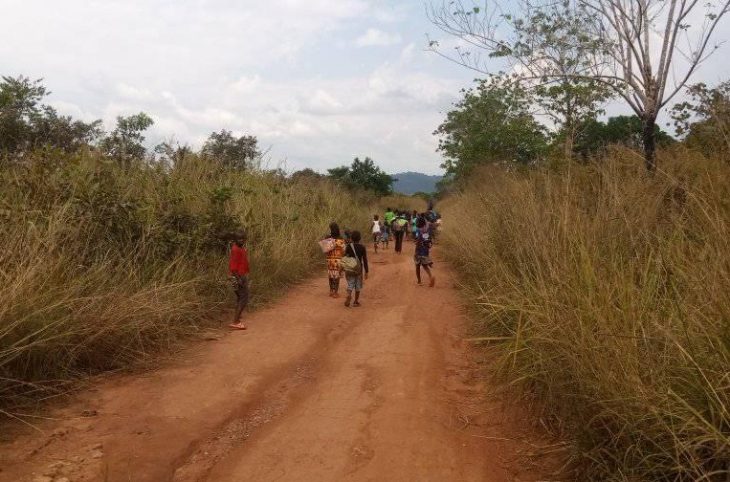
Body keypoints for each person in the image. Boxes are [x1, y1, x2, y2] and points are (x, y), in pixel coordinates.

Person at [229, 230, 250, 330]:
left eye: (243, 239)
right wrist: (239, 279)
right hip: (238, 276)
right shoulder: (236, 249)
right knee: (244, 298)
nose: (241, 240)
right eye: (239, 239)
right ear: (235, 240)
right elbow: (233, 267)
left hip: (240, 276)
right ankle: (236, 321)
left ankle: (237, 317)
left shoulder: (240, 248)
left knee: (240, 297)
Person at [342, 230, 369, 307]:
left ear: (351, 238)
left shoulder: (348, 246)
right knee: (358, 286)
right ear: (359, 238)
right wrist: (366, 271)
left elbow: (345, 257)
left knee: (350, 283)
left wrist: (342, 268)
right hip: (358, 269)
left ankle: (349, 294)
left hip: (350, 268)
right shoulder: (362, 247)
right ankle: (356, 302)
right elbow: (365, 260)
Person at [325, 222, 346, 298]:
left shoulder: (328, 238)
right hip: (338, 259)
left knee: (330, 275)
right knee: (337, 276)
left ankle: (331, 290)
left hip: (330, 259)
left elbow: (325, 250)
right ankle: (335, 292)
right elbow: (344, 251)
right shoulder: (340, 238)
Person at [414, 218, 435, 287]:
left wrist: (416, 251)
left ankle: (419, 281)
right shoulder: (427, 231)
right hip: (425, 251)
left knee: (417, 266)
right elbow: (430, 242)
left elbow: (417, 242)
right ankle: (431, 276)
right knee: (425, 266)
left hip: (419, 251)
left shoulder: (419, 230)